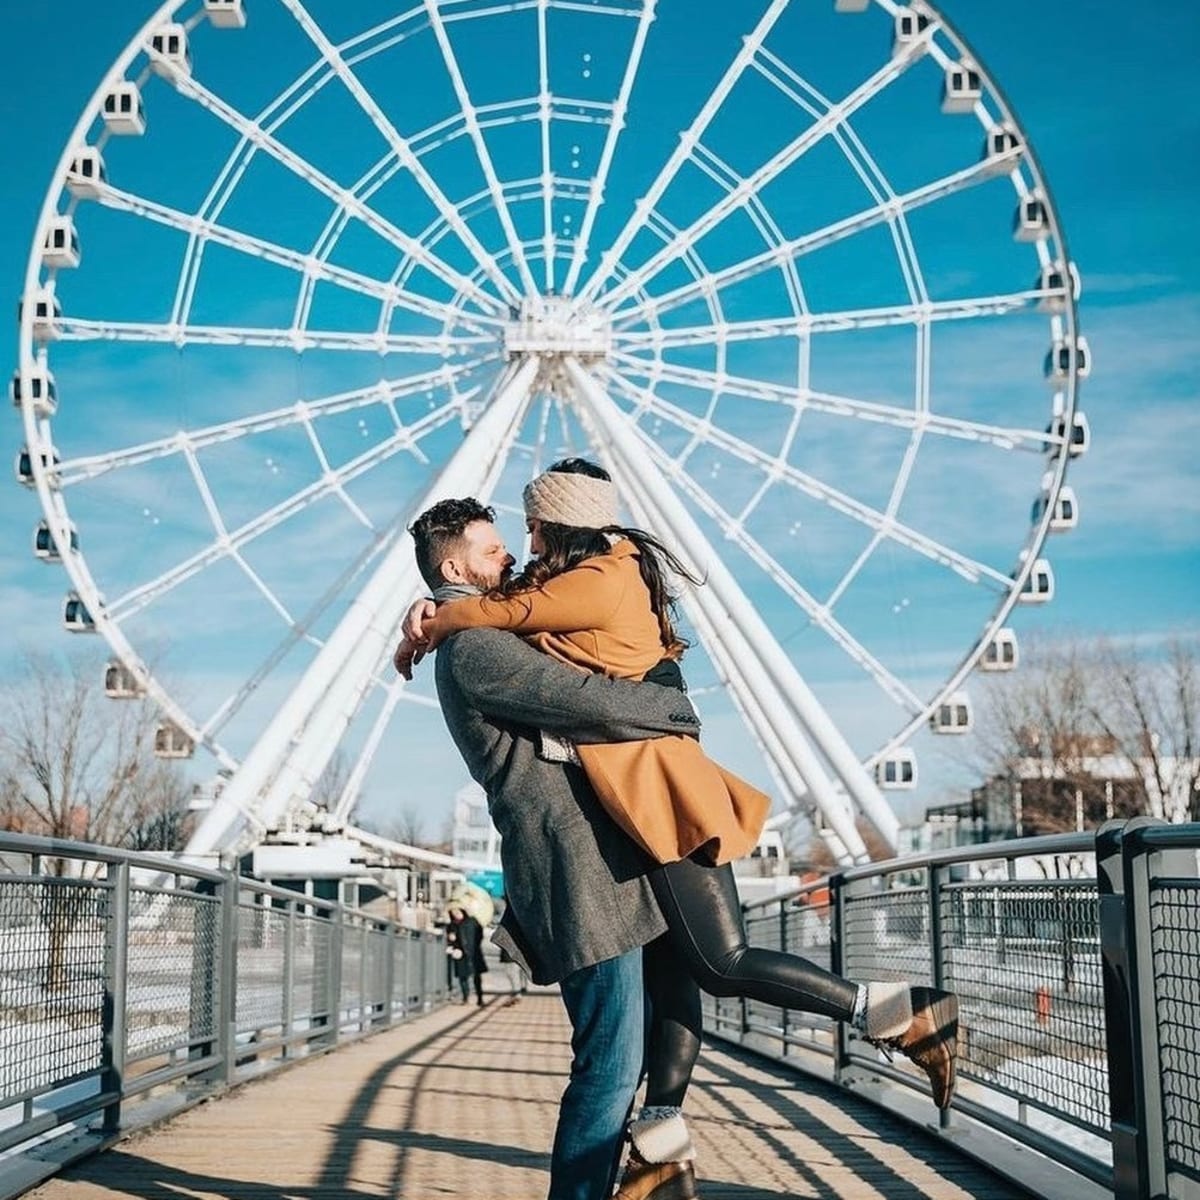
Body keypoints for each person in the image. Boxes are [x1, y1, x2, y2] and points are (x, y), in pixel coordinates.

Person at [397, 461, 961, 1133]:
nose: (520, 548)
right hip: (638, 806)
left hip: (663, 792)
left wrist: (442, 619)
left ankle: (894, 1011)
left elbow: (529, 629)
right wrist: (437, 610)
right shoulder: (568, 585)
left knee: (717, 963)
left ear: (560, 524)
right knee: (679, 977)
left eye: (530, 530)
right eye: (499, 546)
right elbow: (519, 612)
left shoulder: (597, 580)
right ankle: (661, 1143)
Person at [401, 496, 705, 1200]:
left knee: (628, 1048)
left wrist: (426, 615)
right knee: (607, 1062)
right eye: (489, 550)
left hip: (597, 868)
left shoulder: (473, 630)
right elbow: (583, 698)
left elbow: (546, 621)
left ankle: (643, 1168)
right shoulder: (475, 648)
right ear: (454, 567)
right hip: (573, 871)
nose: (508, 556)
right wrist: (674, 712)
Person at [446, 905, 487, 1006]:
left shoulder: (472, 921)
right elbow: (450, 938)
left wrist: (475, 945)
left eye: (457, 912)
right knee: (462, 976)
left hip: (473, 952)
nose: (456, 915)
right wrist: (451, 939)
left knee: (476, 976)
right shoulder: (452, 925)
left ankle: (480, 997)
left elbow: (480, 934)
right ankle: (465, 997)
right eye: (454, 913)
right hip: (460, 953)